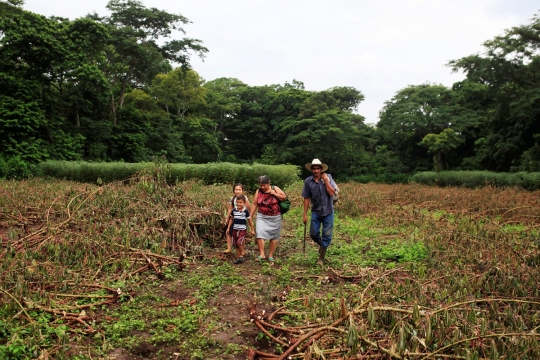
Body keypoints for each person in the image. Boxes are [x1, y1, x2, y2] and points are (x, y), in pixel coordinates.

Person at [302, 158, 337, 265]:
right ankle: (323, 246)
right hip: (316, 211)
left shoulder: (328, 177)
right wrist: (304, 214)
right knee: (313, 233)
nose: (316, 171)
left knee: (327, 234)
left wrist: (326, 180)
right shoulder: (308, 181)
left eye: (318, 168)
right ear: (311, 170)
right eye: (314, 169)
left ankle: (321, 258)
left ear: (321, 169)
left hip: (328, 211)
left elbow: (331, 193)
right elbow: (306, 198)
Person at [251, 175, 287, 263]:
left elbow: (284, 197)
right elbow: (255, 204)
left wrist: (274, 193)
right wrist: (250, 215)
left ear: (268, 183)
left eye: (264, 185)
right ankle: (262, 254)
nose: (262, 187)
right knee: (259, 233)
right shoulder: (258, 191)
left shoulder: (275, 188)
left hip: (275, 217)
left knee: (274, 236)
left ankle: (270, 255)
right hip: (262, 216)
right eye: (261, 185)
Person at [224, 183, 251, 254]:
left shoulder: (245, 198)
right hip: (233, 217)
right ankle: (229, 248)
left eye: (239, 189)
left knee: (241, 234)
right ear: (234, 190)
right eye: (236, 189)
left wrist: (248, 217)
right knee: (228, 232)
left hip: (242, 219)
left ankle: (242, 250)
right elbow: (230, 209)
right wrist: (227, 218)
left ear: (242, 190)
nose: (238, 191)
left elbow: (248, 208)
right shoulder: (232, 198)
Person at [230, 195, 254, 264]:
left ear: (244, 203)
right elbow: (231, 219)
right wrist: (228, 228)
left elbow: (250, 220)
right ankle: (239, 257)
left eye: (241, 202)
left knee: (239, 242)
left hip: (242, 229)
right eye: (238, 202)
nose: (239, 204)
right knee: (236, 244)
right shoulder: (234, 210)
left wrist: (252, 229)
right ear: (236, 203)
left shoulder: (246, 211)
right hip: (235, 229)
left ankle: (242, 254)